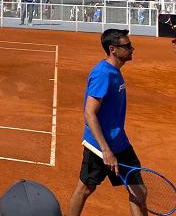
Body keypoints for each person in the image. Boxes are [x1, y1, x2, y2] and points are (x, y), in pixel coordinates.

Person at [68, 29, 146, 216]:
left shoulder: (115, 71)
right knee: (85, 188)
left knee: (139, 190)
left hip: (120, 142)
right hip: (100, 146)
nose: (131, 48)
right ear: (113, 49)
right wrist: (105, 150)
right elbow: (89, 112)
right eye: (127, 46)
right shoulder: (103, 74)